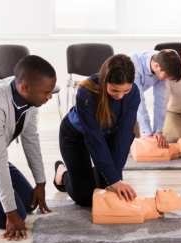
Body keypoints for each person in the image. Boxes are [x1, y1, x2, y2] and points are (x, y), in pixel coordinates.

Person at [0, 55, 56, 241]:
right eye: (46, 92)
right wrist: (11, 214)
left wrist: (41, 182)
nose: (50, 96)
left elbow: (30, 139)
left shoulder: (31, 98)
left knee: (30, 204)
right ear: (25, 88)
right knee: (16, 213)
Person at [53, 54, 140, 206]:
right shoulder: (85, 91)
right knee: (86, 198)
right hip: (76, 136)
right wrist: (112, 178)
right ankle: (63, 172)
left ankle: (93, 169)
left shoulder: (133, 93)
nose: (120, 96)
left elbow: (124, 134)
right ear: (106, 79)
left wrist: (115, 178)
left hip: (107, 135)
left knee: (106, 190)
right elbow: (94, 138)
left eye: (125, 90)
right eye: (114, 90)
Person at [129, 50, 181, 149]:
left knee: (142, 145)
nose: (167, 79)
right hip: (116, 99)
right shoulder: (133, 66)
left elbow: (160, 101)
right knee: (130, 142)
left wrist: (158, 130)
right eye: (166, 76)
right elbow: (139, 102)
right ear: (156, 66)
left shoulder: (162, 64)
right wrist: (149, 134)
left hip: (131, 99)